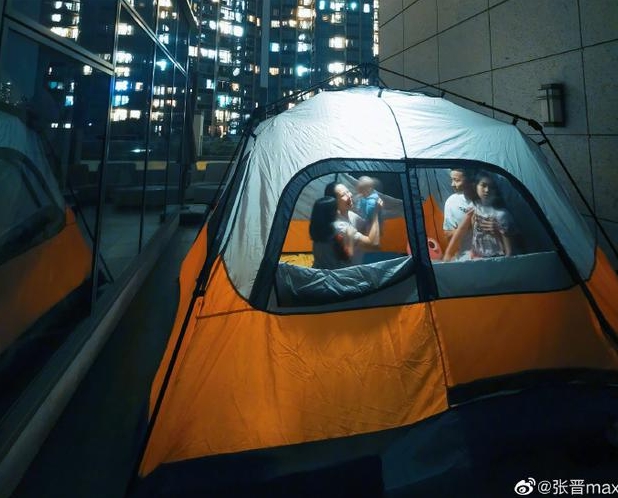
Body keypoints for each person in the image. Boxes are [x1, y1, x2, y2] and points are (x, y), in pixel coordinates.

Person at [443, 171, 514, 261]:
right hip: (475, 257)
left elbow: (510, 247)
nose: (487, 190)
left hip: (496, 258)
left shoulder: (502, 214)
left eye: (491, 187)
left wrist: (499, 231)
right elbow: (461, 230)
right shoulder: (474, 208)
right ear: (475, 186)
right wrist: (448, 254)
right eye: (483, 185)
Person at [311, 183, 382, 268]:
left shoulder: (350, 215)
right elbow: (373, 244)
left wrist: (369, 209)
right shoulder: (340, 227)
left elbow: (370, 229)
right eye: (343, 195)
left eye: (348, 192)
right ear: (334, 202)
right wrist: (375, 214)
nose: (349, 195)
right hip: (339, 273)